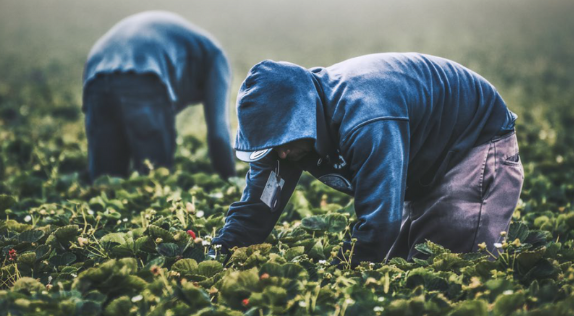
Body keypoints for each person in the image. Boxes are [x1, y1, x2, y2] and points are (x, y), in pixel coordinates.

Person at [211, 53, 523, 263]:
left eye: (283, 141)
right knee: (406, 263)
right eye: (270, 145)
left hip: (475, 142)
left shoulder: (366, 117)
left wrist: (340, 271)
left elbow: (380, 222)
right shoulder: (285, 142)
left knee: (451, 263)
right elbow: (258, 207)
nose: (280, 154)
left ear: (304, 117)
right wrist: (218, 254)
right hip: (421, 156)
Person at [82, 11, 235, 180]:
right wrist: (231, 180)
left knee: (105, 181)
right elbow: (219, 134)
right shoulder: (217, 59)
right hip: (144, 72)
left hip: (96, 73)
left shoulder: (194, 50)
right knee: (154, 179)